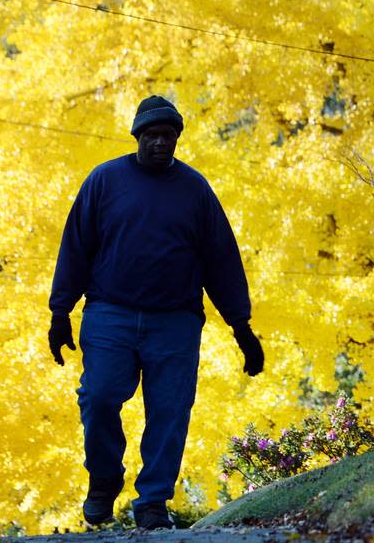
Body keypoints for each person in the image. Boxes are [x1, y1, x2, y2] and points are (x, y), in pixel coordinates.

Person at [48, 95, 265, 531]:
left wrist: (241, 327)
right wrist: (60, 312)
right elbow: (76, 246)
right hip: (111, 314)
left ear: (177, 139)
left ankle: (153, 501)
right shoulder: (105, 181)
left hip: (175, 321)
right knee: (100, 396)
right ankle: (104, 477)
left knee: (170, 410)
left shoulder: (195, 190)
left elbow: (221, 258)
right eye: (153, 135)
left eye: (169, 136)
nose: (161, 143)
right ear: (138, 138)